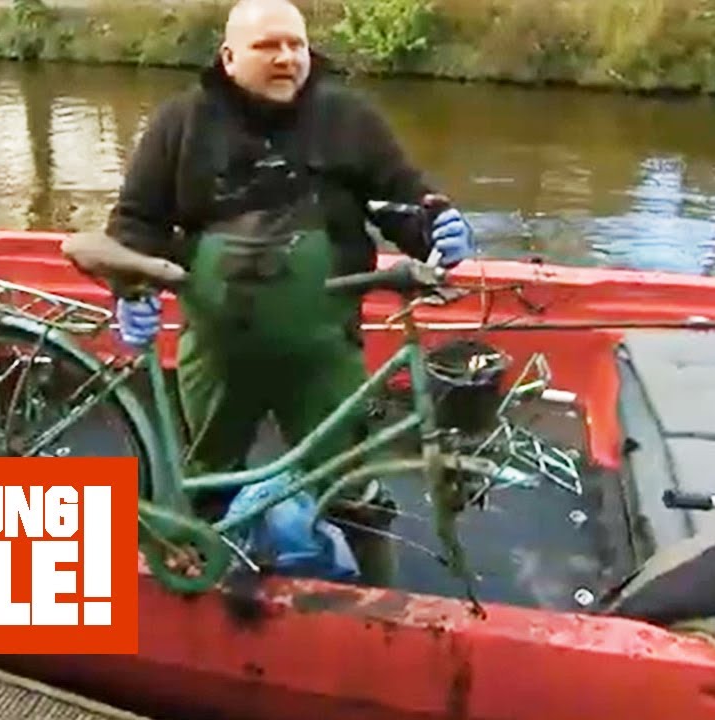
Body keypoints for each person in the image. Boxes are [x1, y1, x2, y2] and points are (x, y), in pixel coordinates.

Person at [102, 0, 476, 586]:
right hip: (218, 350)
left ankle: (382, 600)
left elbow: (404, 201)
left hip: (324, 348)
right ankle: (204, 582)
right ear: (228, 57)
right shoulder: (181, 122)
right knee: (206, 477)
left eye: (296, 45)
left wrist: (440, 229)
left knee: (353, 483)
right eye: (268, 46)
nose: (287, 58)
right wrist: (129, 289)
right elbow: (135, 221)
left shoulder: (348, 118)